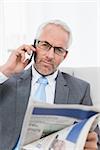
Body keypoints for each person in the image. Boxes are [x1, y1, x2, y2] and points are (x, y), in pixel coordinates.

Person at [0, 20, 99, 150]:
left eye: (58, 50)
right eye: (45, 45)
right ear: (34, 45)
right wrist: (6, 71)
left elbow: (94, 137)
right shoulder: (7, 80)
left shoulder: (80, 89)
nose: (50, 55)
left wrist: (92, 144)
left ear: (65, 55)